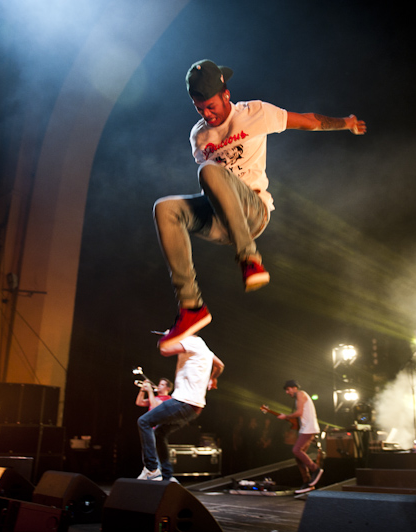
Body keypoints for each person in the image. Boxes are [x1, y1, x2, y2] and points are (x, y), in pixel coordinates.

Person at [154, 59, 367, 349]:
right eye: (199, 108)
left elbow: (309, 121)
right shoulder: (199, 135)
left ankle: (250, 259)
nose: (207, 114)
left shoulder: (254, 113)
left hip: (253, 211)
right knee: (165, 209)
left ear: (226, 94)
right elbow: (213, 187)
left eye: (212, 106)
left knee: (208, 170)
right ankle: (191, 307)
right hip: (223, 219)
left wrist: (347, 123)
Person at [137, 334, 224, 481]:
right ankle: (167, 475)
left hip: (182, 402)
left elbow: (165, 350)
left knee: (143, 422)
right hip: (195, 408)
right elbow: (220, 365)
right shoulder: (204, 347)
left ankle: (151, 469)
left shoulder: (190, 341)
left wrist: (167, 337)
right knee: (160, 433)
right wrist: (213, 377)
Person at [276, 380, 323, 494]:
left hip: (309, 428)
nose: (287, 392)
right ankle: (307, 483)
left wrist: (286, 416)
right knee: (298, 457)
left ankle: (315, 469)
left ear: (294, 388)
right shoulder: (298, 397)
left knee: (296, 450)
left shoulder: (301, 394)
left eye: (288, 389)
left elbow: (299, 412)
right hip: (305, 429)